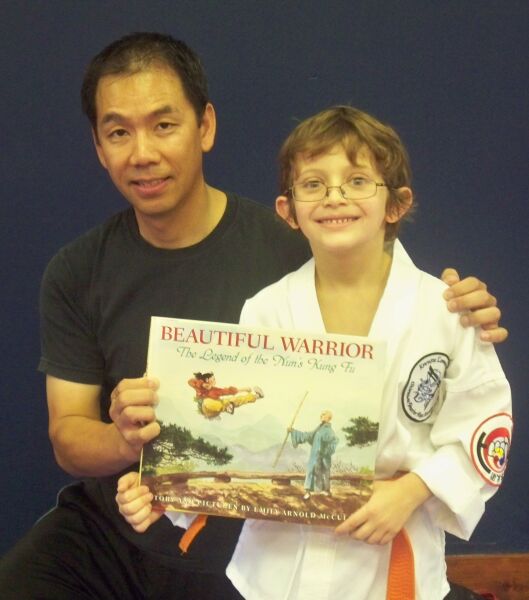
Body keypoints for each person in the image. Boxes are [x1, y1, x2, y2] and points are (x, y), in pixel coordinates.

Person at [0, 30, 506, 600]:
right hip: (213, 532)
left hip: (344, 535)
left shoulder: (323, 257)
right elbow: (86, 434)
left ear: (205, 126)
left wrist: (459, 306)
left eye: (163, 124)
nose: (142, 152)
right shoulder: (253, 300)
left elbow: (475, 416)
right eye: (119, 132)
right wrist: (146, 468)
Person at [118, 105, 511, 600]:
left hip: (393, 551)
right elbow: (237, 435)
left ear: (396, 204)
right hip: (278, 569)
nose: (335, 197)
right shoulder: (266, 310)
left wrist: (411, 491)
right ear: (289, 211)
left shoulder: (446, 310)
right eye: (314, 184)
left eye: (357, 181)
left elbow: (485, 425)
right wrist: (161, 488)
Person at [289, 410, 339, 500]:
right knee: (311, 470)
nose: (322, 416)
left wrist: (325, 451)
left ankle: (326, 491)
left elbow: (334, 443)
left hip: (324, 457)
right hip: (314, 455)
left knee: (325, 472)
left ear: (329, 418)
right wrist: (293, 432)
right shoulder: (318, 429)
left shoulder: (330, 431)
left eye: (324, 415)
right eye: (322, 414)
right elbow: (308, 436)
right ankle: (308, 492)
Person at [188, 372, 264, 418]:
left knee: (234, 399)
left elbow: (227, 391)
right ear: (207, 380)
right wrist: (202, 384)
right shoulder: (199, 387)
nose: (215, 381)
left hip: (219, 406)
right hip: (208, 410)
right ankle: (226, 407)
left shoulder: (215, 390)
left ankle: (257, 396)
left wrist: (244, 389)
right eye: (213, 379)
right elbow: (190, 381)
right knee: (207, 401)